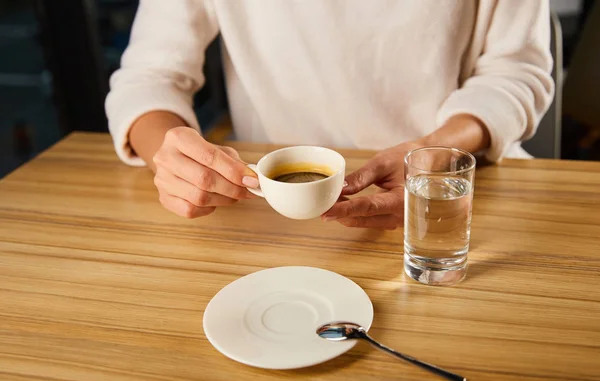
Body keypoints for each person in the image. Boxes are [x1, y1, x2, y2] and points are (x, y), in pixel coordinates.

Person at [106, 0, 554, 230]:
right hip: (271, 220)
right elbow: (149, 76)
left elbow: (517, 71)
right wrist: (168, 153)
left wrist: (433, 153)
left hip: (449, 188)